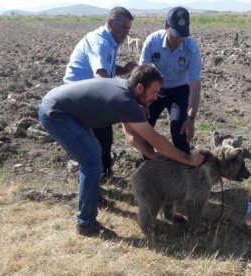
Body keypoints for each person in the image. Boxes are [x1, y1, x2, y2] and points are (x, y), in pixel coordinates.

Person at [39, 65, 204, 238]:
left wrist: (152, 155)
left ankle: (92, 201)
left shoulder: (125, 93)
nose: (157, 97)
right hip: (56, 113)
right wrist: (188, 159)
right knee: (92, 163)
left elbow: (131, 136)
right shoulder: (126, 101)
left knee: (94, 155)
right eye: (154, 92)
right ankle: (86, 224)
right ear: (140, 88)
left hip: (61, 109)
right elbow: (156, 139)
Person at [63, 6, 139, 181]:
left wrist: (123, 69)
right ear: (111, 23)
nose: (126, 33)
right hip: (78, 95)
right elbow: (101, 76)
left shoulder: (110, 40)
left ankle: (105, 175)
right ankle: (95, 180)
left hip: (91, 92)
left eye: (129, 29)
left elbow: (107, 68)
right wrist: (124, 96)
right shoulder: (100, 42)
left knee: (106, 135)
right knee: (97, 141)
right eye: (123, 28)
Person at [139, 7, 202, 154]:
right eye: (175, 35)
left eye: (182, 35)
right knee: (144, 126)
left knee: (179, 129)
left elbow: (195, 86)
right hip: (154, 89)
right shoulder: (152, 42)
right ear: (166, 26)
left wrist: (191, 118)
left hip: (179, 91)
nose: (179, 39)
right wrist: (142, 103)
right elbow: (141, 75)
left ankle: (184, 169)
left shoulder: (192, 48)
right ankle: (150, 162)